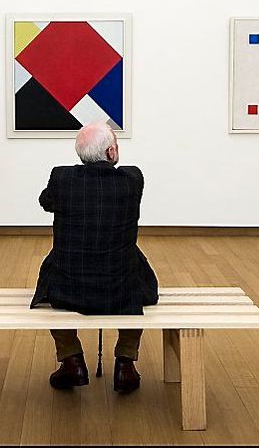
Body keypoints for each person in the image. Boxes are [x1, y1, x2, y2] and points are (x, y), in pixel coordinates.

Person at [30, 122, 159, 393]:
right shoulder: (133, 179)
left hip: (69, 288)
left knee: (52, 272)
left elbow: (46, 202)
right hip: (120, 288)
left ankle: (71, 360)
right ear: (111, 151)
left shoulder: (61, 178)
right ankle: (126, 362)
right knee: (135, 270)